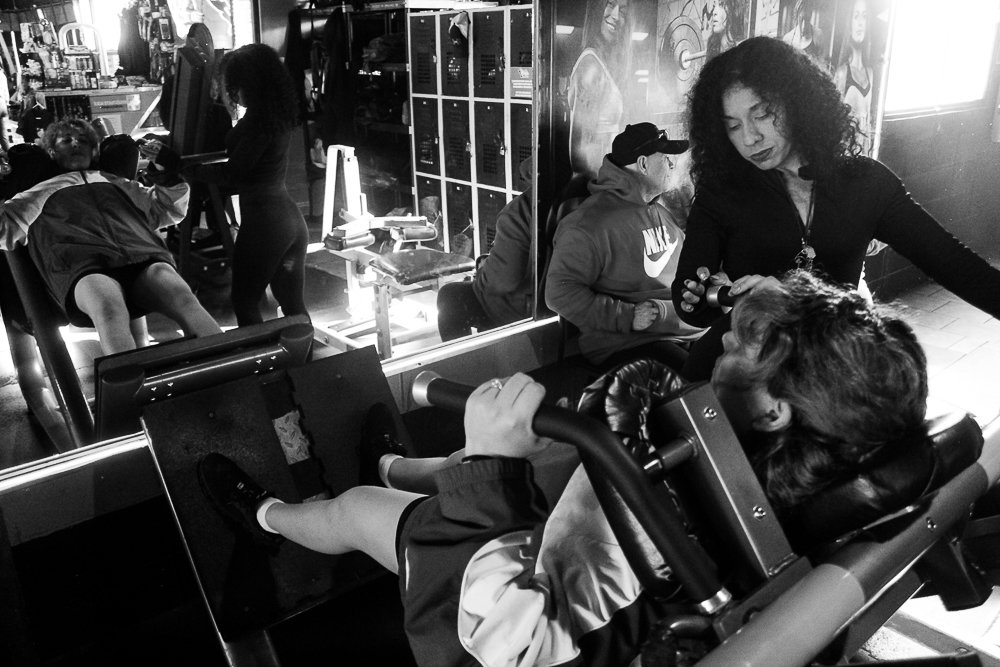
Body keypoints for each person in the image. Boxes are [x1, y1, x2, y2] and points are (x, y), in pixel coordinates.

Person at [198, 270, 930, 666]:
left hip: (492, 607)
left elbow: (515, 646)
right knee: (500, 460)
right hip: (566, 529)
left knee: (355, 509)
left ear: (774, 411)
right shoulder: (758, 477)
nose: (722, 347)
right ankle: (392, 463)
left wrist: (492, 468)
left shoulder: (671, 548)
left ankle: (265, 517)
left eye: (742, 348)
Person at [671, 36, 1000, 380]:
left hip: (827, 369)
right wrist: (716, 296)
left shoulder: (866, 183)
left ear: (798, 103)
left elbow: (958, 267)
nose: (749, 138)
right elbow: (688, 302)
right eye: (733, 125)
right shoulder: (722, 193)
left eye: (763, 114)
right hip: (738, 368)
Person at [0, 119, 221, 355]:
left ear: (94, 150)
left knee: (181, 295)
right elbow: (5, 228)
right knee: (108, 305)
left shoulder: (118, 183)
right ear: (52, 152)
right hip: (83, 266)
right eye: (66, 140)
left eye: (83, 140)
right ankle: (127, 376)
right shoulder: (37, 193)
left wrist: (165, 173)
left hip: (141, 257)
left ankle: (227, 364)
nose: (75, 144)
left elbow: (165, 208)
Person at [546, 122, 704, 372]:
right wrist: (626, 316)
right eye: (665, 158)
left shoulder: (659, 211)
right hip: (634, 343)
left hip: (686, 330)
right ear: (643, 164)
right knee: (704, 382)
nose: (672, 165)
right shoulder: (587, 225)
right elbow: (559, 292)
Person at [183, 43, 311, 326]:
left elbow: (233, 174)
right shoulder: (275, 116)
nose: (234, 92)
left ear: (251, 84)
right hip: (288, 220)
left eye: (236, 85)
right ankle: (304, 354)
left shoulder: (258, 121)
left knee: (244, 301)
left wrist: (181, 166)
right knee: (292, 303)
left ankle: (261, 356)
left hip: (266, 223)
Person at [436, 160, 534, 341]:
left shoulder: (520, 211)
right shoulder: (572, 198)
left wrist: (482, 271)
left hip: (522, 310)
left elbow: (502, 281)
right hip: (551, 302)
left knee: (449, 296)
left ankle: (465, 357)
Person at [567, 0, 631, 180]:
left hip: (604, 180)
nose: (616, 15)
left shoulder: (605, 63)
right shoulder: (591, 65)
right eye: (610, 4)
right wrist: (597, 190)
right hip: (594, 184)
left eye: (623, 11)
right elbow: (579, 153)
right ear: (597, 8)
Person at [833, 0, 874, 154]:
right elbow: (834, 123)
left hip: (864, 154)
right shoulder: (842, 73)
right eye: (856, 16)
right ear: (849, 22)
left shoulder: (870, 73)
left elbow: (868, 123)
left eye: (864, 16)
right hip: (845, 154)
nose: (860, 23)